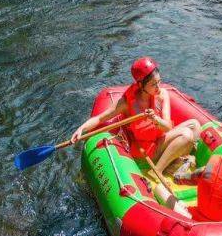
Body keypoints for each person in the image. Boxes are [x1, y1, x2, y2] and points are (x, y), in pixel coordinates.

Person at [70, 57, 200, 176]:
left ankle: (174, 160)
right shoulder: (126, 103)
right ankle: (156, 171)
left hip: (159, 137)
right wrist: (81, 129)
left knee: (195, 125)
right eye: (153, 84)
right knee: (187, 135)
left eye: (159, 82)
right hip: (145, 150)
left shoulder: (162, 95)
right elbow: (100, 118)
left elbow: (167, 127)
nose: (158, 87)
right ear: (140, 85)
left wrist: (156, 119)